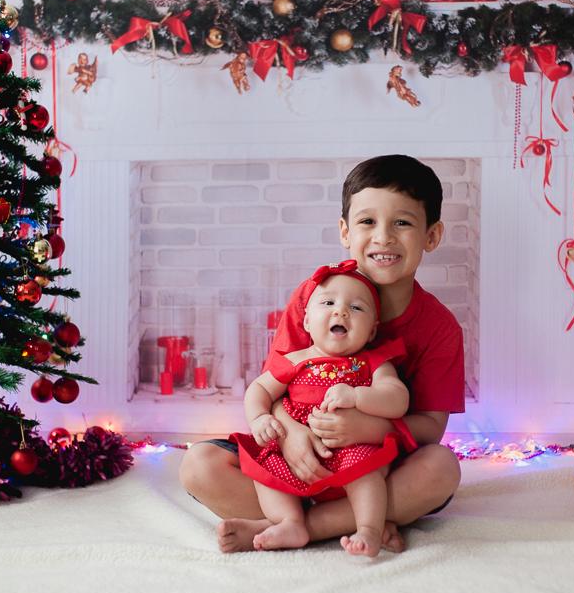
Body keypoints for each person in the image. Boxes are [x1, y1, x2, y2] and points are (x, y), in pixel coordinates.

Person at [180, 154, 465, 553]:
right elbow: (274, 385)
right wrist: (292, 434)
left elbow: (431, 429)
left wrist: (370, 430)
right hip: (290, 454)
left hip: (375, 465)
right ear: (345, 231)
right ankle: (367, 520)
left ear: (431, 236)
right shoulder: (314, 299)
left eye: (402, 222)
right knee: (198, 466)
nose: (383, 237)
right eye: (367, 221)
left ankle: (297, 527)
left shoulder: (439, 328)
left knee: (441, 470)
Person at [231, 262, 410, 556]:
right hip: (296, 454)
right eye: (327, 303)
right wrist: (260, 417)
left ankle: (369, 529)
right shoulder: (294, 360)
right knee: (265, 470)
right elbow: (259, 389)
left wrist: (357, 396)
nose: (340, 312)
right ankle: (290, 522)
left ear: (372, 331)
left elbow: (397, 399)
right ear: (307, 323)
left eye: (357, 308)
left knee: (369, 476)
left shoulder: (373, 362)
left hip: (353, 452)